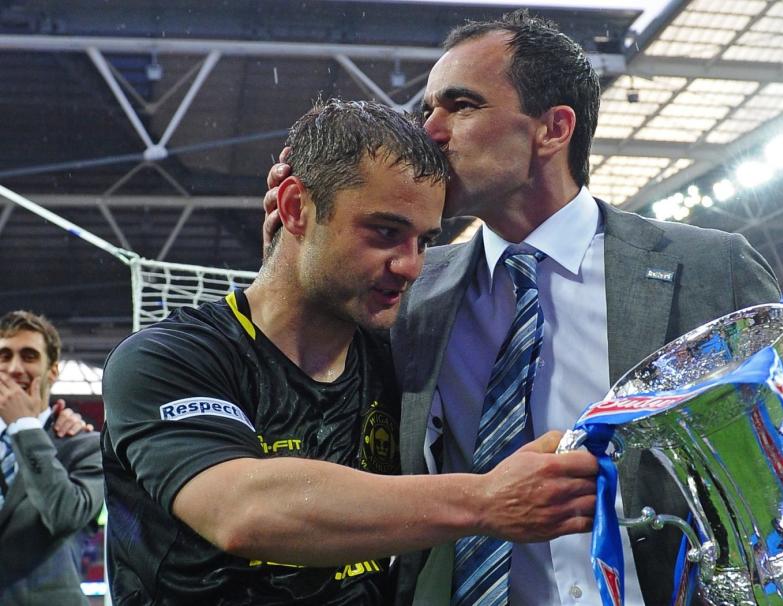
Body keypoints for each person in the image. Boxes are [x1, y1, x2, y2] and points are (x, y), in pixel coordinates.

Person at [260, 11, 783, 606]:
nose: (429, 130)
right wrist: (293, 249)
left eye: (461, 105)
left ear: (552, 128)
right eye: (428, 108)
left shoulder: (709, 267)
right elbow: (310, 395)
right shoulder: (410, 287)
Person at [101, 99, 597, 606]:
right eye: (385, 232)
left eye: (424, 241)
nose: (410, 266)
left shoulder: (403, 365)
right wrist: (486, 499)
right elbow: (242, 509)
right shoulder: (168, 359)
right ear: (294, 208)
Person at [0, 310, 104, 605]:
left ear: (53, 371)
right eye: (4, 356)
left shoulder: (87, 446)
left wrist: (25, 427)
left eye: (29, 356)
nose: (14, 368)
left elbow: (64, 514)